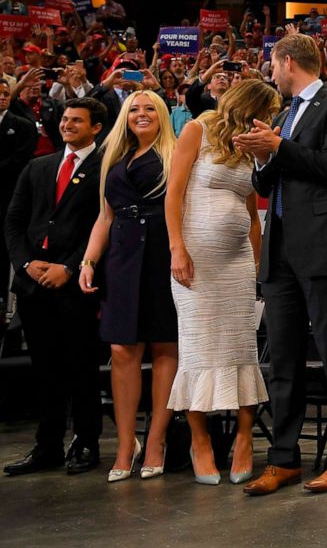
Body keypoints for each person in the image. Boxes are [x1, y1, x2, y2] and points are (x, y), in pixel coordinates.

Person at [233, 33, 327, 497]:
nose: (270, 73)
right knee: (283, 358)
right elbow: (267, 186)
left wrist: (279, 147)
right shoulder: (284, 114)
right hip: (281, 247)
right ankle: (284, 459)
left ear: (288, 62)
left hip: (324, 245)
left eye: (272, 64)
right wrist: (261, 153)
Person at [164, 80, 276, 485]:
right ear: (248, 106)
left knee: (241, 346)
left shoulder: (251, 143)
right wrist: (177, 248)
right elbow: (173, 193)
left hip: (237, 264)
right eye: (266, 110)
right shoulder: (198, 128)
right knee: (197, 350)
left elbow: (251, 211)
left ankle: (245, 438)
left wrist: (258, 263)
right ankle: (201, 441)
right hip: (194, 261)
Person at [3, 98, 107, 477]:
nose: (67, 125)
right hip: (34, 284)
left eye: (76, 121)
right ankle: (46, 445)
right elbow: (13, 223)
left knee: (80, 366)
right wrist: (26, 264)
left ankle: (86, 442)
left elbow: (104, 226)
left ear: (96, 127)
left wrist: (70, 266)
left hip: (76, 283)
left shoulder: (106, 169)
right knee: (44, 369)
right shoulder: (38, 167)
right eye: (64, 119)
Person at [78, 91, 178, 482]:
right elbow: (105, 217)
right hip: (121, 256)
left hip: (163, 253)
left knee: (165, 344)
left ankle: (156, 439)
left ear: (162, 115)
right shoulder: (113, 159)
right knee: (122, 348)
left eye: (150, 107)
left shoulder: (174, 152)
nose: (141, 114)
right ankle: (125, 443)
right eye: (134, 108)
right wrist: (89, 261)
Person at [0, 82, 37, 308]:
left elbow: (20, 161)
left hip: (7, 196)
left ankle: (3, 304)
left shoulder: (22, 125)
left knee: (3, 253)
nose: (3, 97)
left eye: (6, 94)